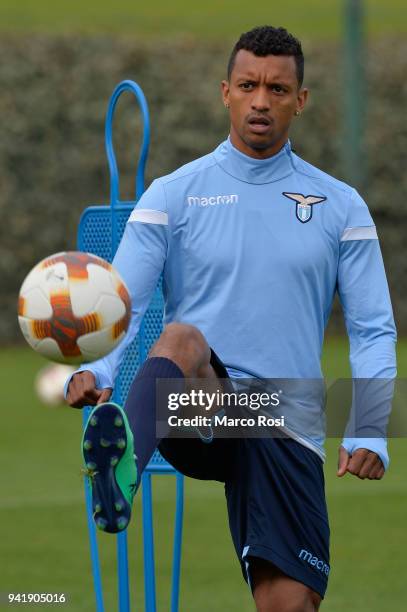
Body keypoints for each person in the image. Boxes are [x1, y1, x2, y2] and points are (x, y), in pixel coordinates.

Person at [66, 25, 396, 612]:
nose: (261, 100)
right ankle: (120, 470)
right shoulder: (175, 194)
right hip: (202, 405)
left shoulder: (340, 205)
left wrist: (369, 425)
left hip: (285, 419)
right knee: (182, 336)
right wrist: (98, 370)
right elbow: (123, 297)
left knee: (289, 605)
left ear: (301, 99)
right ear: (226, 92)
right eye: (248, 85)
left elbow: (372, 326)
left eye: (277, 88)